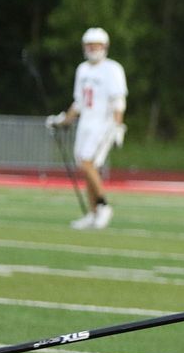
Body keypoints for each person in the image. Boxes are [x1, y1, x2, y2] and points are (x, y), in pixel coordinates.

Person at [45, 27, 128, 229]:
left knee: (87, 163)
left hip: (104, 124)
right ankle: (93, 213)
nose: (92, 49)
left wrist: (117, 124)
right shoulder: (82, 69)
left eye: (96, 45)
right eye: (89, 45)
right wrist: (63, 120)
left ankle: (103, 205)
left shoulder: (112, 68)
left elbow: (118, 100)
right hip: (86, 124)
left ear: (104, 47)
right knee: (84, 166)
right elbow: (79, 103)